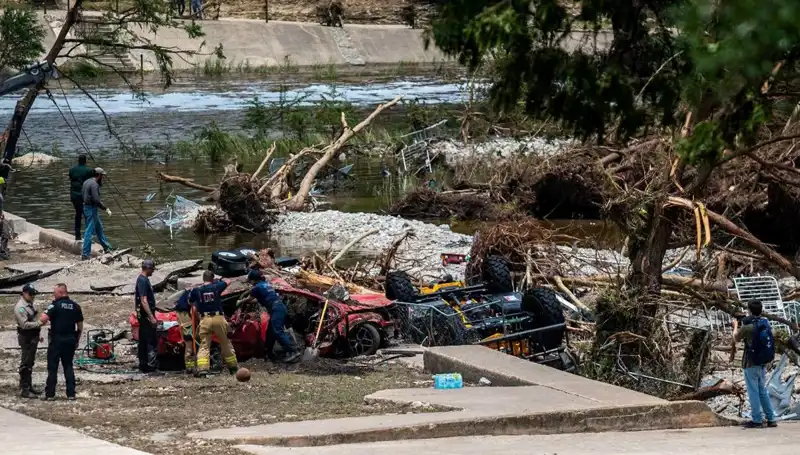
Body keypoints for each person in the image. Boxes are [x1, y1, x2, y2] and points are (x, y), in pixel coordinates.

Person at [732, 299, 778, 428]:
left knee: (753, 392)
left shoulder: (747, 327)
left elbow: (736, 338)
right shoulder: (765, 323)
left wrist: (735, 326)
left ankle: (757, 420)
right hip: (762, 362)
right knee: (762, 391)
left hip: (750, 363)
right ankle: (771, 418)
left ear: (749, 311)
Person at [241, 270, 300, 363]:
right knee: (270, 332)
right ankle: (268, 352)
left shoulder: (256, 288)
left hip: (276, 309)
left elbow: (249, 298)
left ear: (254, 280)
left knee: (277, 331)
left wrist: (241, 301)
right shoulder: (266, 284)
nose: (250, 283)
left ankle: (293, 351)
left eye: (250, 281)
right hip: (279, 307)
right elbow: (257, 300)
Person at [189, 270, 238, 377]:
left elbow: (190, 301)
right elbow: (229, 281)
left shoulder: (196, 290)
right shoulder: (216, 287)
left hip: (205, 319)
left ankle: (203, 370)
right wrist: (220, 279)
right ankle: (233, 368)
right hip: (218, 318)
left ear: (203, 278)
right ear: (212, 279)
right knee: (225, 343)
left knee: (204, 345)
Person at [40, 283, 83, 401]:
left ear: (60, 292)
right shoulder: (76, 306)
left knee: (52, 367)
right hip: (70, 339)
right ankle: (71, 394)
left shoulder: (55, 305)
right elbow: (80, 326)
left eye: (54, 293)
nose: (54, 295)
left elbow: (43, 319)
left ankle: (50, 394)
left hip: (57, 340)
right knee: (68, 366)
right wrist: (77, 339)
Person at [14, 284, 44, 398]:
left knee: (30, 362)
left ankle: (29, 385)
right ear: (25, 293)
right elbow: (25, 324)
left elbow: (33, 317)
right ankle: (24, 389)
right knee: (26, 362)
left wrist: (38, 332)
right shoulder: (20, 307)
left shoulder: (29, 304)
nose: (33, 296)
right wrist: (39, 324)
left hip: (33, 335)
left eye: (33, 294)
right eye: (31, 294)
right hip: (26, 336)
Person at [81, 167, 113, 260]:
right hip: (91, 209)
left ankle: (107, 247)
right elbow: (96, 200)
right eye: (102, 176)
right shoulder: (94, 184)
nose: (103, 178)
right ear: (99, 175)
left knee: (99, 228)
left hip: (86, 207)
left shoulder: (86, 181)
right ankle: (85, 254)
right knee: (89, 232)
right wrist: (105, 208)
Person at [135, 259, 159, 373]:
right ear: (148, 268)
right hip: (145, 316)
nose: (153, 272)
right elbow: (144, 300)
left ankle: (143, 364)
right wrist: (151, 317)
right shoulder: (143, 281)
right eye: (152, 269)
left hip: (143, 315)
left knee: (144, 339)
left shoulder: (142, 280)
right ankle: (151, 366)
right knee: (151, 340)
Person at [68, 155, 94, 241]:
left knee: (78, 214)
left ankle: (77, 236)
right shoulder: (88, 170)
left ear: (78, 161)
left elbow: (71, 177)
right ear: (85, 161)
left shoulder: (72, 170)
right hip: (84, 196)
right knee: (87, 215)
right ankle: (88, 237)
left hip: (74, 196)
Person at [174, 288, 197, 374]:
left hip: (182, 314)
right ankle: (190, 367)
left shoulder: (191, 292)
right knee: (189, 342)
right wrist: (197, 321)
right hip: (185, 316)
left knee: (188, 342)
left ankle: (190, 367)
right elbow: (193, 311)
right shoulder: (197, 294)